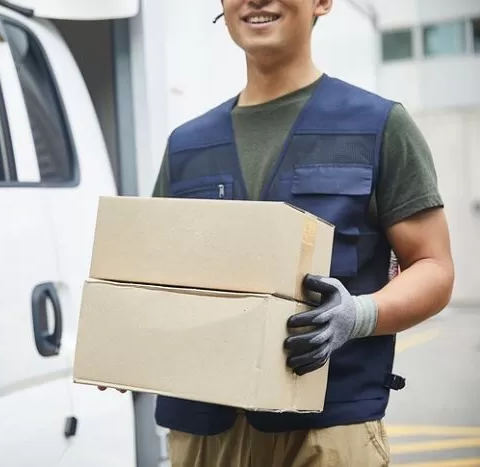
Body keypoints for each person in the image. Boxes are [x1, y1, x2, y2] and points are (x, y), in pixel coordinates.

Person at [147, 0, 455, 465]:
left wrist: (358, 315)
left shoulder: (379, 126)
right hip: (203, 433)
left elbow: (434, 267)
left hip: (327, 434)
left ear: (322, 3)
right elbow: (147, 276)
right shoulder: (185, 146)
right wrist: (127, 337)